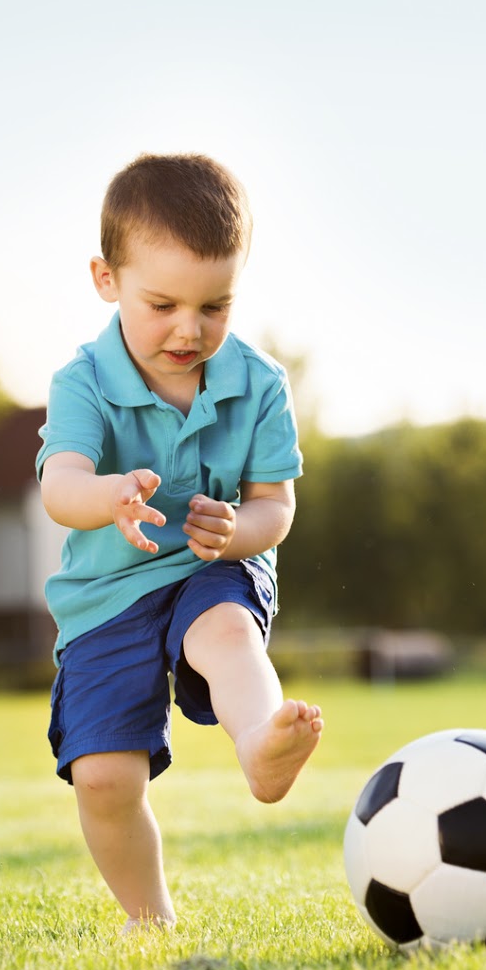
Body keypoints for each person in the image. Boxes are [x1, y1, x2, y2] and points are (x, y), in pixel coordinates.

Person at [36, 153, 323, 931]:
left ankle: (261, 741)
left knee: (224, 628)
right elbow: (59, 485)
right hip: (107, 594)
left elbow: (275, 508)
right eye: (161, 303)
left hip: (210, 567)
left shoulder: (259, 383)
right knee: (102, 777)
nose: (189, 329)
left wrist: (237, 535)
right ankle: (149, 917)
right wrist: (106, 494)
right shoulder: (84, 382)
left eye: (215, 305)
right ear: (106, 278)